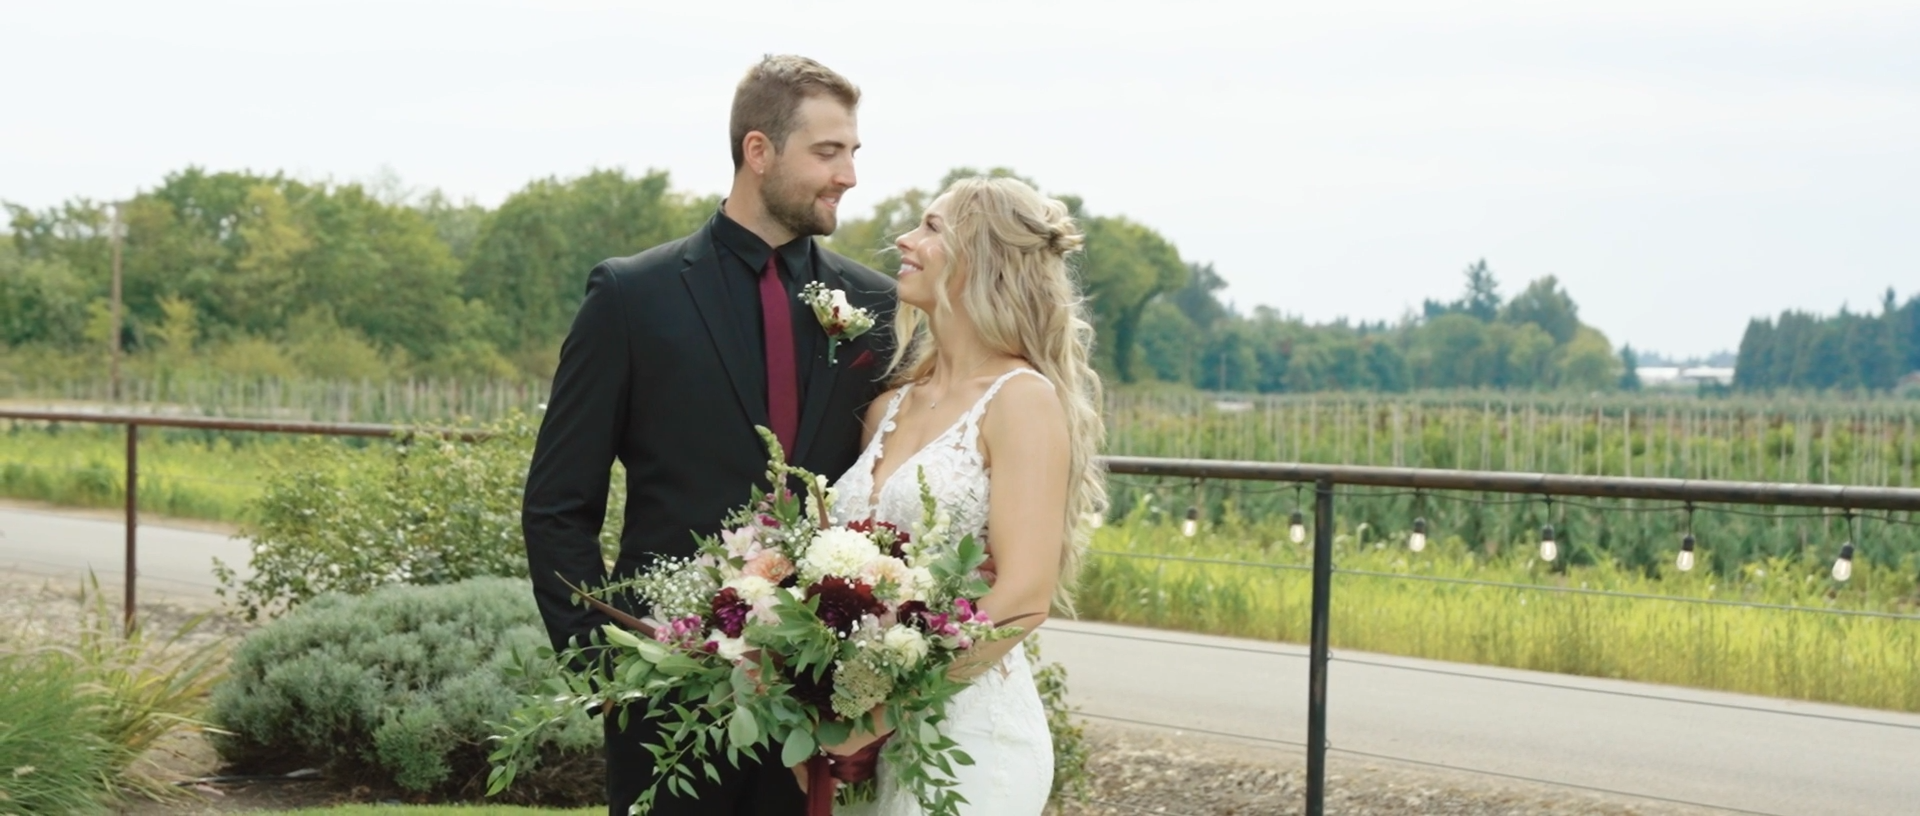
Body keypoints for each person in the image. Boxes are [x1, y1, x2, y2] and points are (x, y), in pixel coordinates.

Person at [521, 54, 896, 816]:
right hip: (666, 705)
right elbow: (558, 505)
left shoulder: (876, 304)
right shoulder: (632, 296)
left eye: (854, 152)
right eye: (829, 152)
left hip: (825, 709)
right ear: (758, 152)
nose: (849, 175)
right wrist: (605, 674)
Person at [823, 176, 1108, 815]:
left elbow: (1023, 595)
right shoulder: (887, 408)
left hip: (970, 743)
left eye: (930, 226)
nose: (905, 238)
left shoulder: (1021, 400)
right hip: (864, 741)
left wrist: (879, 713)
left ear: (981, 258)